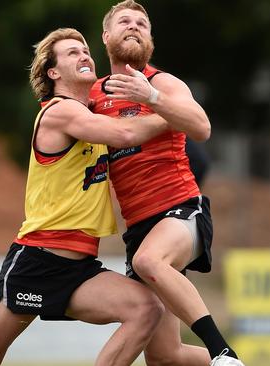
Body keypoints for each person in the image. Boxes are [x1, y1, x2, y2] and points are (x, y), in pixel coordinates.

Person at [0, 28, 172, 366]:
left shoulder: (91, 115)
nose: (85, 55)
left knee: (146, 309)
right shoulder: (60, 112)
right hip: (37, 260)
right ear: (53, 72)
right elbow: (125, 133)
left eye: (86, 50)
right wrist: (174, 114)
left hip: (79, 269)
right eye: (73, 53)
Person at [90, 1, 245, 365]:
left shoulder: (162, 82)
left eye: (142, 23)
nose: (133, 26)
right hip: (138, 227)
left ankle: (222, 351)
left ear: (151, 41)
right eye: (124, 21)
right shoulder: (93, 97)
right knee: (163, 356)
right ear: (106, 36)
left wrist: (152, 99)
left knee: (149, 260)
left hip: (182, 211)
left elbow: (202, 127)